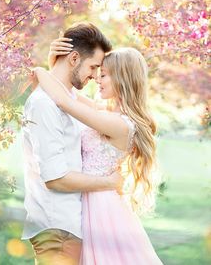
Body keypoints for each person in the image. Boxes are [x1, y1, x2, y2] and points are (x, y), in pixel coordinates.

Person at [34, 40, 164, 264]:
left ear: (122, 79)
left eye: (103, 75)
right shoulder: (105, 112)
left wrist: (38, 70)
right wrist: (56, 64)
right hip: (87, 198)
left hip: (100, 208)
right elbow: (68, 92)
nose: (96, 79)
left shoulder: (120, 124)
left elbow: (64, 100)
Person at [21, 22, 124, 265]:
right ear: (74, 58)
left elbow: (78, 102)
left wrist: (48, 69)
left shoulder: (64, 99)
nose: (95, 75)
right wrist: (109, 182)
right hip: (56, 229)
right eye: (93, 66)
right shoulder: (44, 104)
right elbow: (55, 178)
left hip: (67, 227)